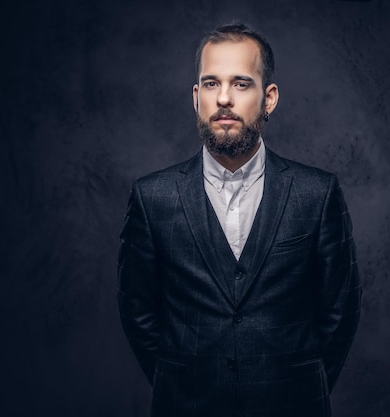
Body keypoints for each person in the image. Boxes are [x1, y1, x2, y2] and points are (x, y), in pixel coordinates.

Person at [117, 22, 361, 417]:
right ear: (196, 97)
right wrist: (183, 381)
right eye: (211, 84)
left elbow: (340, 315)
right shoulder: (152, 198)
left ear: (269, 98)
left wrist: (298, 384)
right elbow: (139, 315)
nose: (224, 98)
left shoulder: (317, 193)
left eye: (242, 84)